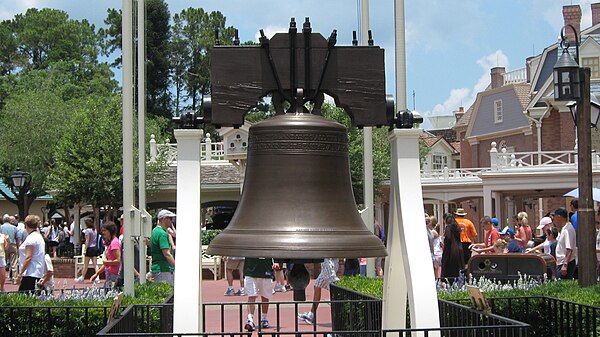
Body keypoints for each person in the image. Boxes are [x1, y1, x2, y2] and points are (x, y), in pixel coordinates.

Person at [298, 258, 340, 325]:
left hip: (328, 259)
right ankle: (311, 315)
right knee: (317, 286)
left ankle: (340, 318)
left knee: (334, 287)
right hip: (325, 262)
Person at [244, 257, 276, 331]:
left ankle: (264, 319)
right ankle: (250, 320)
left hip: (266, 270)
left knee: (265, 296)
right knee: (251, 296)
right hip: (250, 270)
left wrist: (276, 262)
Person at [17, 215, 45, 292]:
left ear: (26, 225)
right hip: (37, 272)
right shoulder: (38, 237)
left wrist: (20, 274)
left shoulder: (31, 239)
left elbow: (28, 257)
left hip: (30, 273)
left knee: (23, 299)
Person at [91, 221, 121, 290]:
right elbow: (106, 264)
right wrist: (96, 274)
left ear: (110, 231)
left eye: (105, 231)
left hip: (114, 275)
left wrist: (107, 262)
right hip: (109, 274)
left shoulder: (114, 243)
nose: (103, 233)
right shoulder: (111, 243)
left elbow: (118, 260)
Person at [150, 209, 176, 285]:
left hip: (157, 268)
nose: (172, 221)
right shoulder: (162, 234)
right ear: (164, 219)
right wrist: (176, 266)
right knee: (168, 293)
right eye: (170, 218)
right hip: (164, 269)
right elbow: (167, 253)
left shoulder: (155, 231)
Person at [554, 207, 577, 279]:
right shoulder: (564, 229)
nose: (554, 220)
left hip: (566, 263)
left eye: (555, 218)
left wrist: (565, 265)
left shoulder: (568, 230)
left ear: (559, 217)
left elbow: (569, 249)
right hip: (561, 262)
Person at [75, 218, 100, 283]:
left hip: (89, 248)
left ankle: (82, 277)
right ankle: (97, 277)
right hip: (94, 247)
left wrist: (85, 250)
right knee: (95, 264)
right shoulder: (95, 230)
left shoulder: (87, 231)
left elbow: (87, 241)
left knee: (86, 264)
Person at [441, 214, 464, 280]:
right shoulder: (457, 228)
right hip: (458, 252)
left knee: (448, 275)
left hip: (450, 253)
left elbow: (448, 240)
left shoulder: (448, 228)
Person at [1, 214, 18, 284]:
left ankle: (2, 279)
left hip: (3, 245)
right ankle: (14, 279)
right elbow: (17, 238)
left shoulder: (1, 227)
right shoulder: (14, 228)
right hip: (13, 245)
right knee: (14, 263)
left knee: (2, 264)